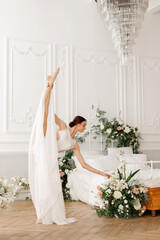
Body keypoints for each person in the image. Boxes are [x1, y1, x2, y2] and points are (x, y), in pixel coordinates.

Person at [28, 68, 111, 225]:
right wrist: (48, 98)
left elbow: (84, 164)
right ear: (78, 124)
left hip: (50, 158)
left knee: (51, 186)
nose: (84, 128)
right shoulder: (63, 127)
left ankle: (48, 215)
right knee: (44, 111)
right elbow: (49, 112)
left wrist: (101, 172)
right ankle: (48, 86)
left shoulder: (74, 144)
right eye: (84, 125)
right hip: (44, 146)